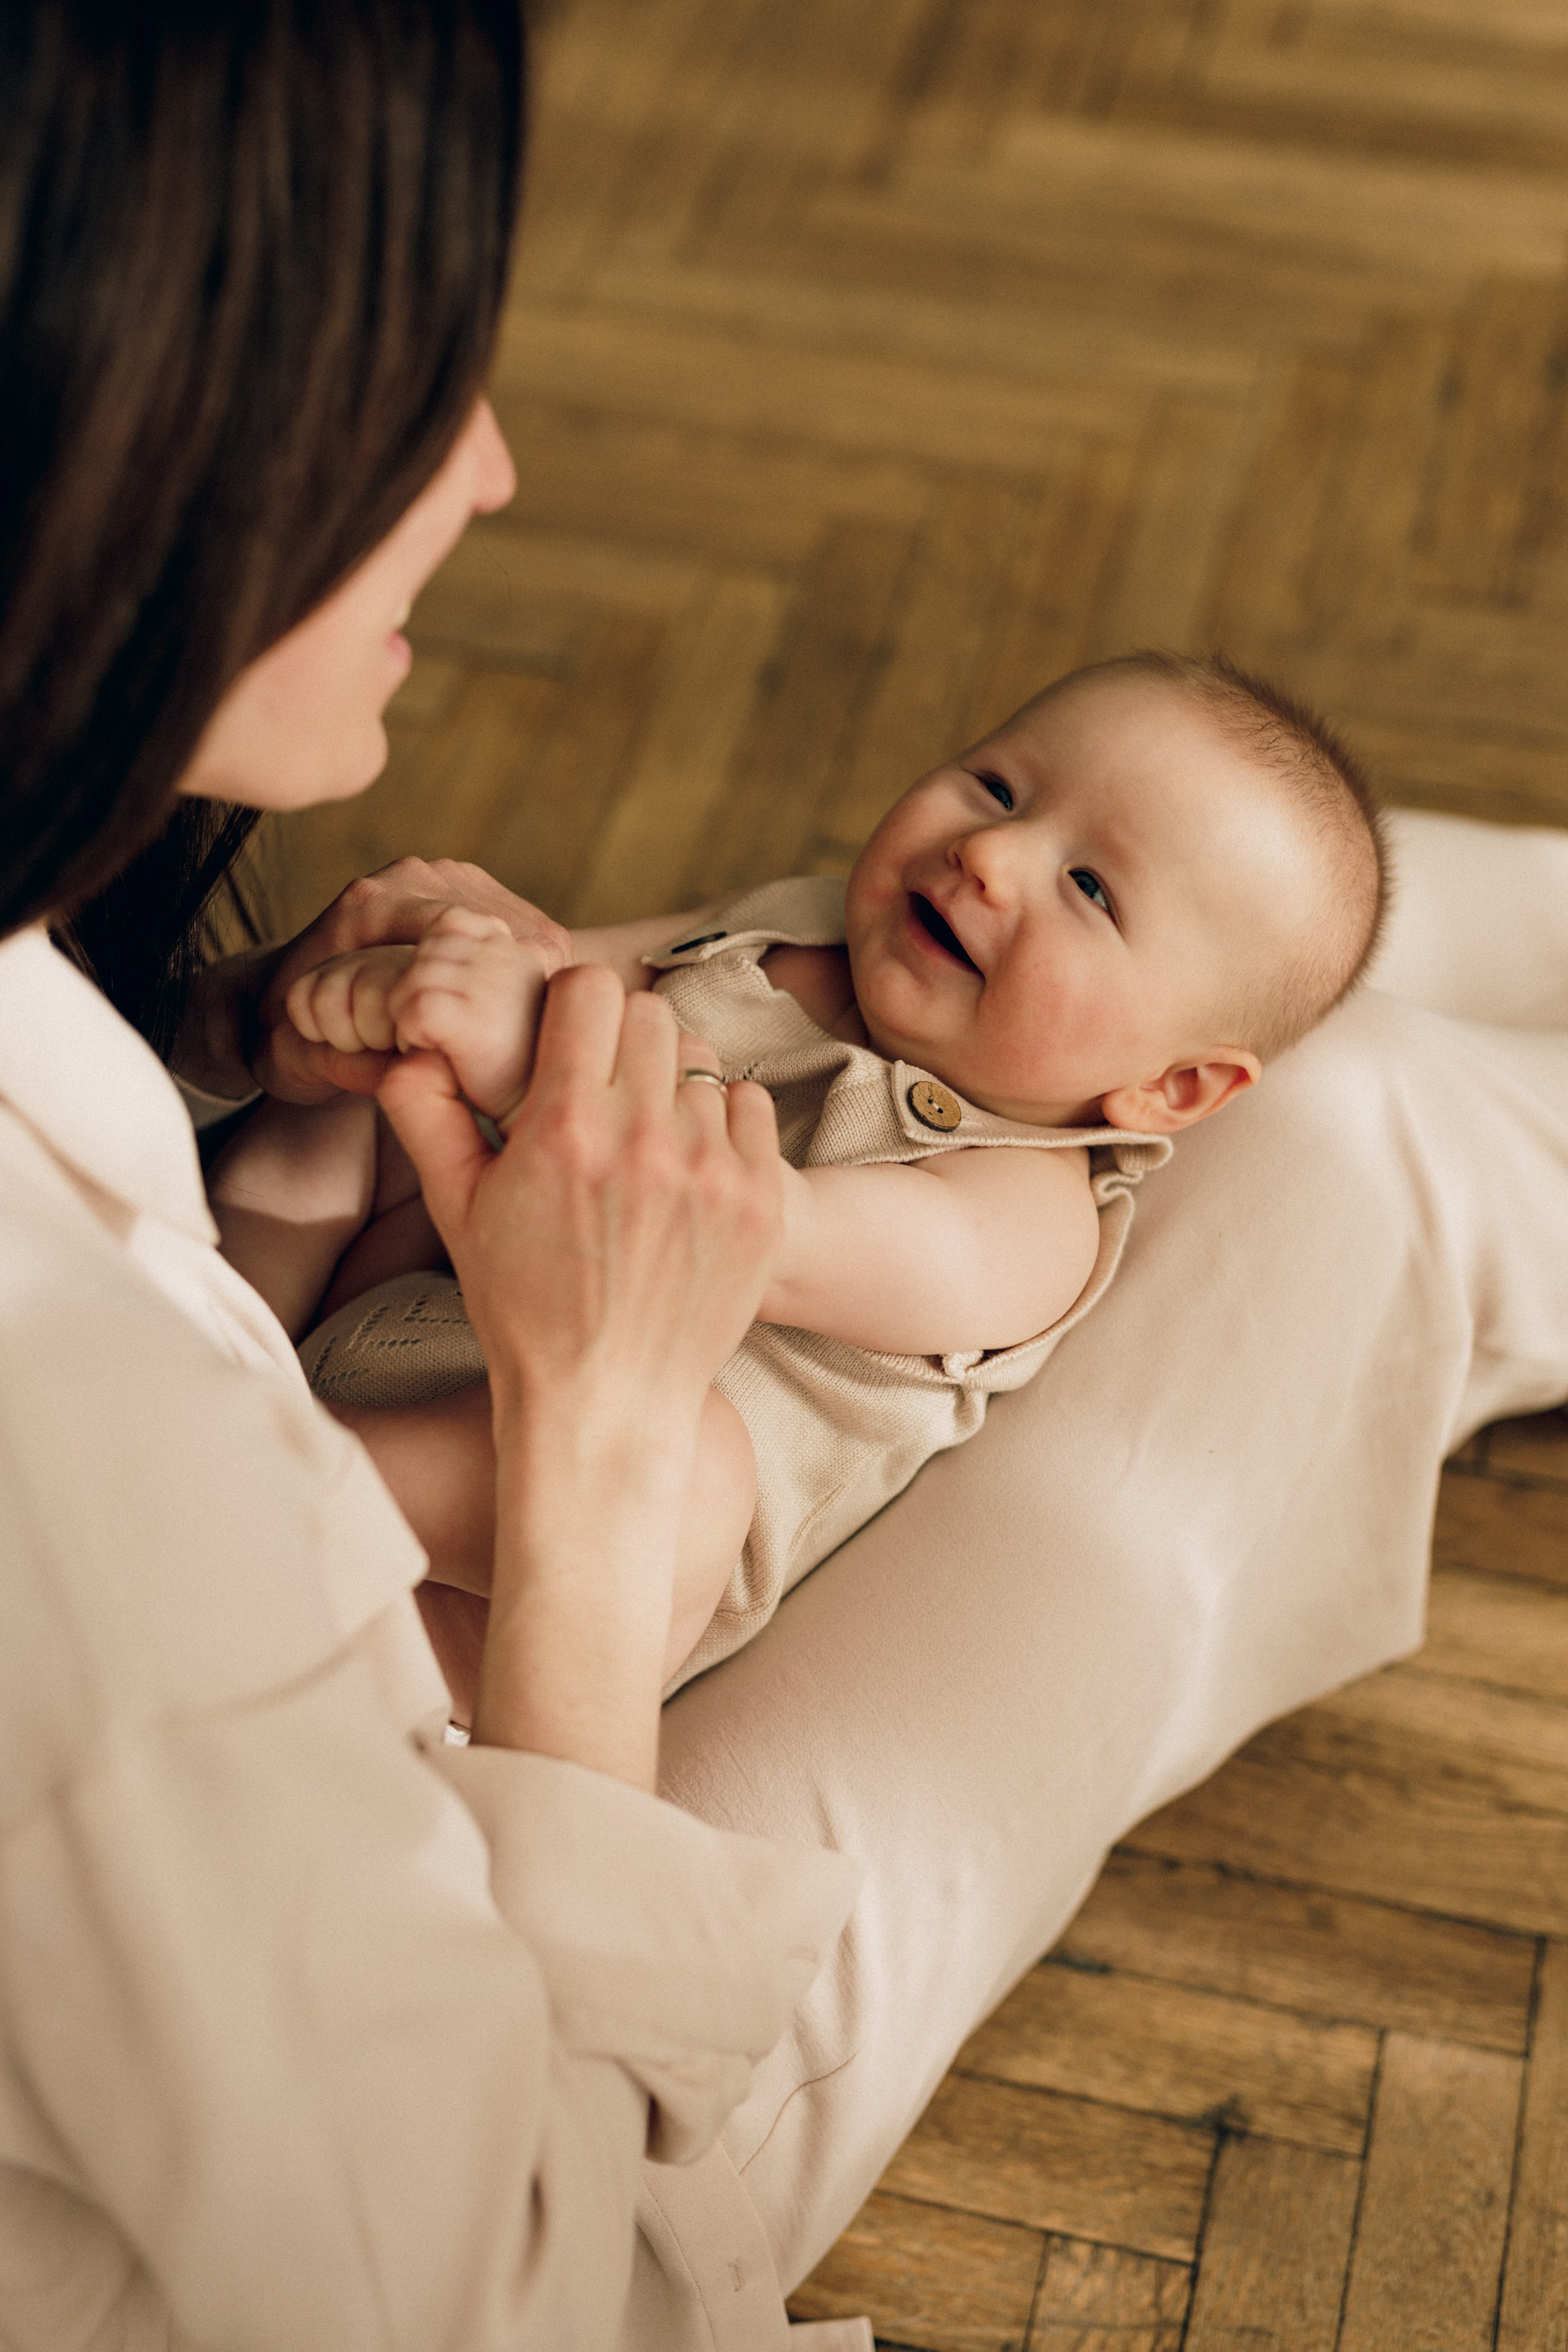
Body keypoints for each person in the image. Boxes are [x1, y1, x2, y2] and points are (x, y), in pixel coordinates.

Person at [6, 14, 1568, 2352]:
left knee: (1229, 946)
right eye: (410, 366)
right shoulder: (101, 1540)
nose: (501, 468)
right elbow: (496, 2289)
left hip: (446, 1416)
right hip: (535, 2001)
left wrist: (304, 1027)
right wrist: (603, 1413)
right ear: (133, 409)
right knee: (1350, 1143)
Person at [214, 654, 1389, 1693]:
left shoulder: (1027, 1215)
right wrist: (460, 963)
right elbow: (575, 971)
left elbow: (737, 1224)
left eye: (1089, 889)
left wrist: (531, 1061)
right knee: (367, 1066)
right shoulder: (798, 923)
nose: (989, 856)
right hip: (410, 1288)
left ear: (1171, 1088)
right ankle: (213, 1309)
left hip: (509, 1560)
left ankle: (252, 1471)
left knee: (698, 1475)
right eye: (997, 786)